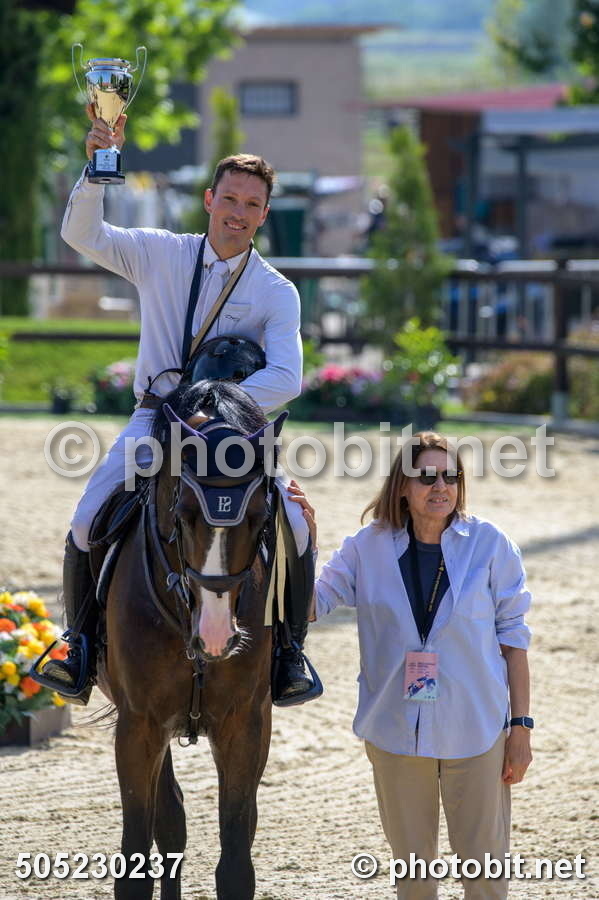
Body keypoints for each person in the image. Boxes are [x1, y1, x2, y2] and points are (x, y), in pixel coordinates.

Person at [41, 105, 319, 708]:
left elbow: (287, 378)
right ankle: (79, 645)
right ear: (208, 199)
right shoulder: (160, 254)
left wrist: (217, 411)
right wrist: (98, 168)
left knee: (296, 526)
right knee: (87, 519)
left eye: (252, 204)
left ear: (265, 214)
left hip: (235, 435)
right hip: (154, 420)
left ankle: (291, 653)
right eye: (230, 198)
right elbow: (83, 235)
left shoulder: (276, 291)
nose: (238, 212)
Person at [288, 432, 533, 899]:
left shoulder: (490, 545)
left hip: (477, 729)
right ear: (402, 485)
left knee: (486, 874)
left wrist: (520, 728)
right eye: (427, 477)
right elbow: (311, 606)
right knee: (414, 876)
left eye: (451, 477)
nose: (440, 486)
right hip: (395, 731)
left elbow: (514, 641)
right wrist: (306, 541)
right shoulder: (367, 547)